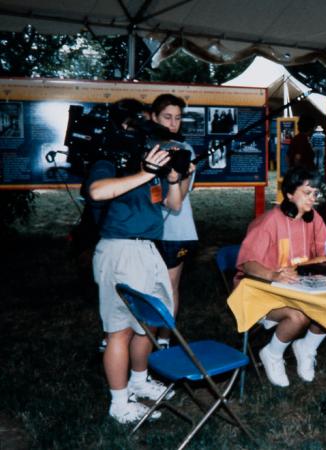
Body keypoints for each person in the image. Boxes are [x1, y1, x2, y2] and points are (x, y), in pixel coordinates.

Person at [85, 98, 184, 424]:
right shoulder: (109, 159)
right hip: (121, 251)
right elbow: (98, 192)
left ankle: (139, 382)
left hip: (148, 250)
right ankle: (119, 401)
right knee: (120, 331)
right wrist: (146, 173)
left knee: (149, 324)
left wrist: (171, 180)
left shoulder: (147, 164)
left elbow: (173, 205)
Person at [234, 167, 326, 387]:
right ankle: (273, 353)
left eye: (316, 194)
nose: (313, 199)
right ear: (289, 194)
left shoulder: (313, 218)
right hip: (258, 290)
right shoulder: (269, 221)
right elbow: (248, 263)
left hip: (295, 285)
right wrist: (273, 274)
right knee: (299, 315)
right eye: (308, 193)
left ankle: (307, 347)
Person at [150, 94, 198, 348]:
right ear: (154, 117)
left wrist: (182, 175)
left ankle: (164, 339)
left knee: (169, 287)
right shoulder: (146, 145)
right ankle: (140, 336)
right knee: (145, 287)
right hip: (146, 229)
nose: (173, 123)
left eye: (178, 118)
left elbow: (181, 195)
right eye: (167, 117)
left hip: (177, 229)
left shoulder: (185, 150)